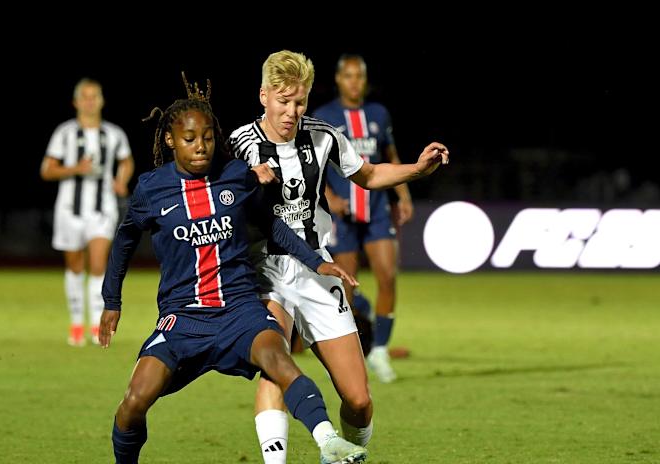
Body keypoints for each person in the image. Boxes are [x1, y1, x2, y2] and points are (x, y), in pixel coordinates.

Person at [99, 75, 369, 463]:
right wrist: (112, 301)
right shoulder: (151, 189)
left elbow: (272, 224)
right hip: (182, 318)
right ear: (171, 140)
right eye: (190, 139)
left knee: (280, 362)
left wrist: (318, 261)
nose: (201, 147)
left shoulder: (235, 175)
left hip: (240, 311)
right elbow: (124, 241)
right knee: (134, 402)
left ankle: (328, 441)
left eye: (208, 137)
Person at [228, 50, 449, 463]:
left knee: (359, 400)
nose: (292, 111)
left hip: (318, 268)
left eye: (299, 101)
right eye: (283, 101)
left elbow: (367, 176)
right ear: (263, 96)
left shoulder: (324, 136)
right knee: (275, 365)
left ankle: (349, 455)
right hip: (265, 271)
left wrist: (416, 171)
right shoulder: (240, 145)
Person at [313, 54, 412, 383]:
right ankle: (354, 348)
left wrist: (403, 194)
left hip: (376, 210)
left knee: (387, 275)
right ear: (339, 79)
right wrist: (330, 197)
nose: (354, 82)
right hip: (343, 215)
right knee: (346, 288)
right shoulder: (324, 116)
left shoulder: (378, 114)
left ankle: (380, 351)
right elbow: (313, 164)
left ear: (365, 80)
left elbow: (390, 156)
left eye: (360, 76)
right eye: (349, 76)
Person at [40, 78, 134, 346]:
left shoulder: (114, 134)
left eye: (95, 96)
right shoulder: (65, 133)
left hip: (102, 208)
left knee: (97, 264)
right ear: (76, 102)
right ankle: (76, 322)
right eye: (86, 97)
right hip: (70, 210)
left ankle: (96, 324)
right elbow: (47, 170)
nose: (91, 101)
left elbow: (126, 161)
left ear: (102, 100)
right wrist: (75, 169)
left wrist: (121, 180)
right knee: (74, 266)